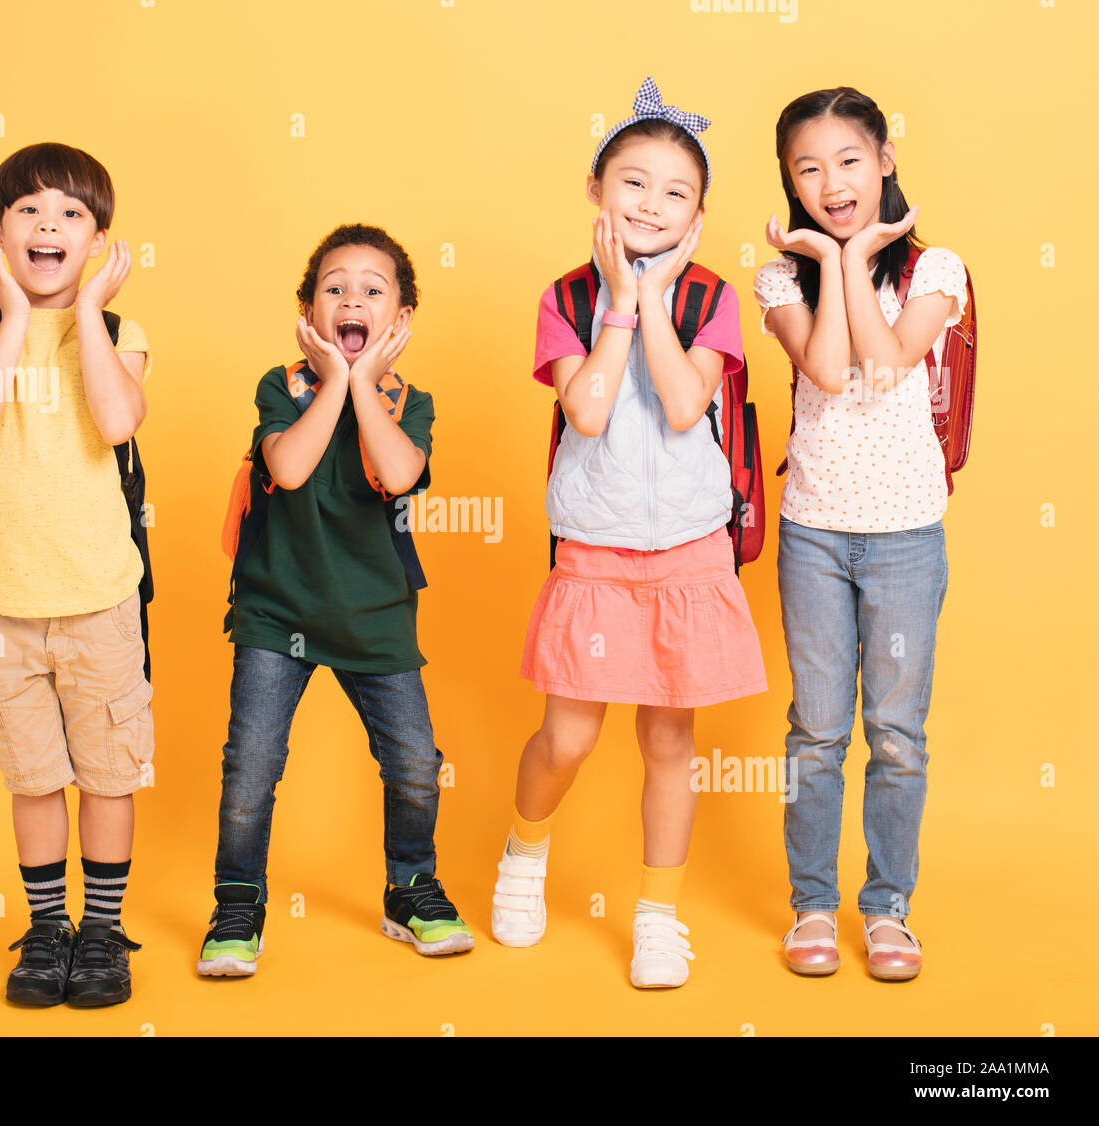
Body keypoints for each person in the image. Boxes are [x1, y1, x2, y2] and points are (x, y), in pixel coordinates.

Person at [491, 78, 766, 988]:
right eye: (633, 183)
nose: (651, 203)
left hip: (690, 549)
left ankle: (657, 915)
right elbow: (592, 411)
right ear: (596, 190)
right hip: (596, 553)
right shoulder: (564, 299)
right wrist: (617, 299)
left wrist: (653, 294)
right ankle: (523, 856)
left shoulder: (713, 300)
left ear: (697, 213)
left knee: (669, 745)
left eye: (674, 191)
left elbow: (689, 406)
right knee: (567, 739)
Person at [198, 224, 472, 977]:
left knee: (415, 763)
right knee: (252, 764)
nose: (353, 298)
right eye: (335, 288)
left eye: (373, 290)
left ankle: (410, 886)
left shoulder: (410, 402)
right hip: (275, 611)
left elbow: (397, 473)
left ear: (401, 321)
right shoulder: (279, 387)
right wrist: (332, 383)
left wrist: (360, 385)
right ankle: (237, 901)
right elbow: (286, 469)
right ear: (309, 313)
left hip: (373, 615)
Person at [754, 87, 967, 981]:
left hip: (907, 536)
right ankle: (812, 905)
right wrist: (836, 262)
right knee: (814, 732)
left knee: (896, 733)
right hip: (813, 533)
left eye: (847, 159)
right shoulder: (774, 280)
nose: (831, 181)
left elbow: (887, 363)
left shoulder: (937, 269)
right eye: (809, 167)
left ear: (884, 158)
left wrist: (858, 259)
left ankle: (886, 911)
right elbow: (833, 370)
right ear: (792, 183)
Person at [0, 142, 154, 1006]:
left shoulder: (121, 331)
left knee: (106, 773)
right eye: (28, 210)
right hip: (5, 605)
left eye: (70, 213)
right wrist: (15, 313)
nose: (49, 224)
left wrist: (90, 313)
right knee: (32, 777)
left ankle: (101, 933)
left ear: (98, 239)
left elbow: (115, 417)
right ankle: (47, 928)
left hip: (100, 600)